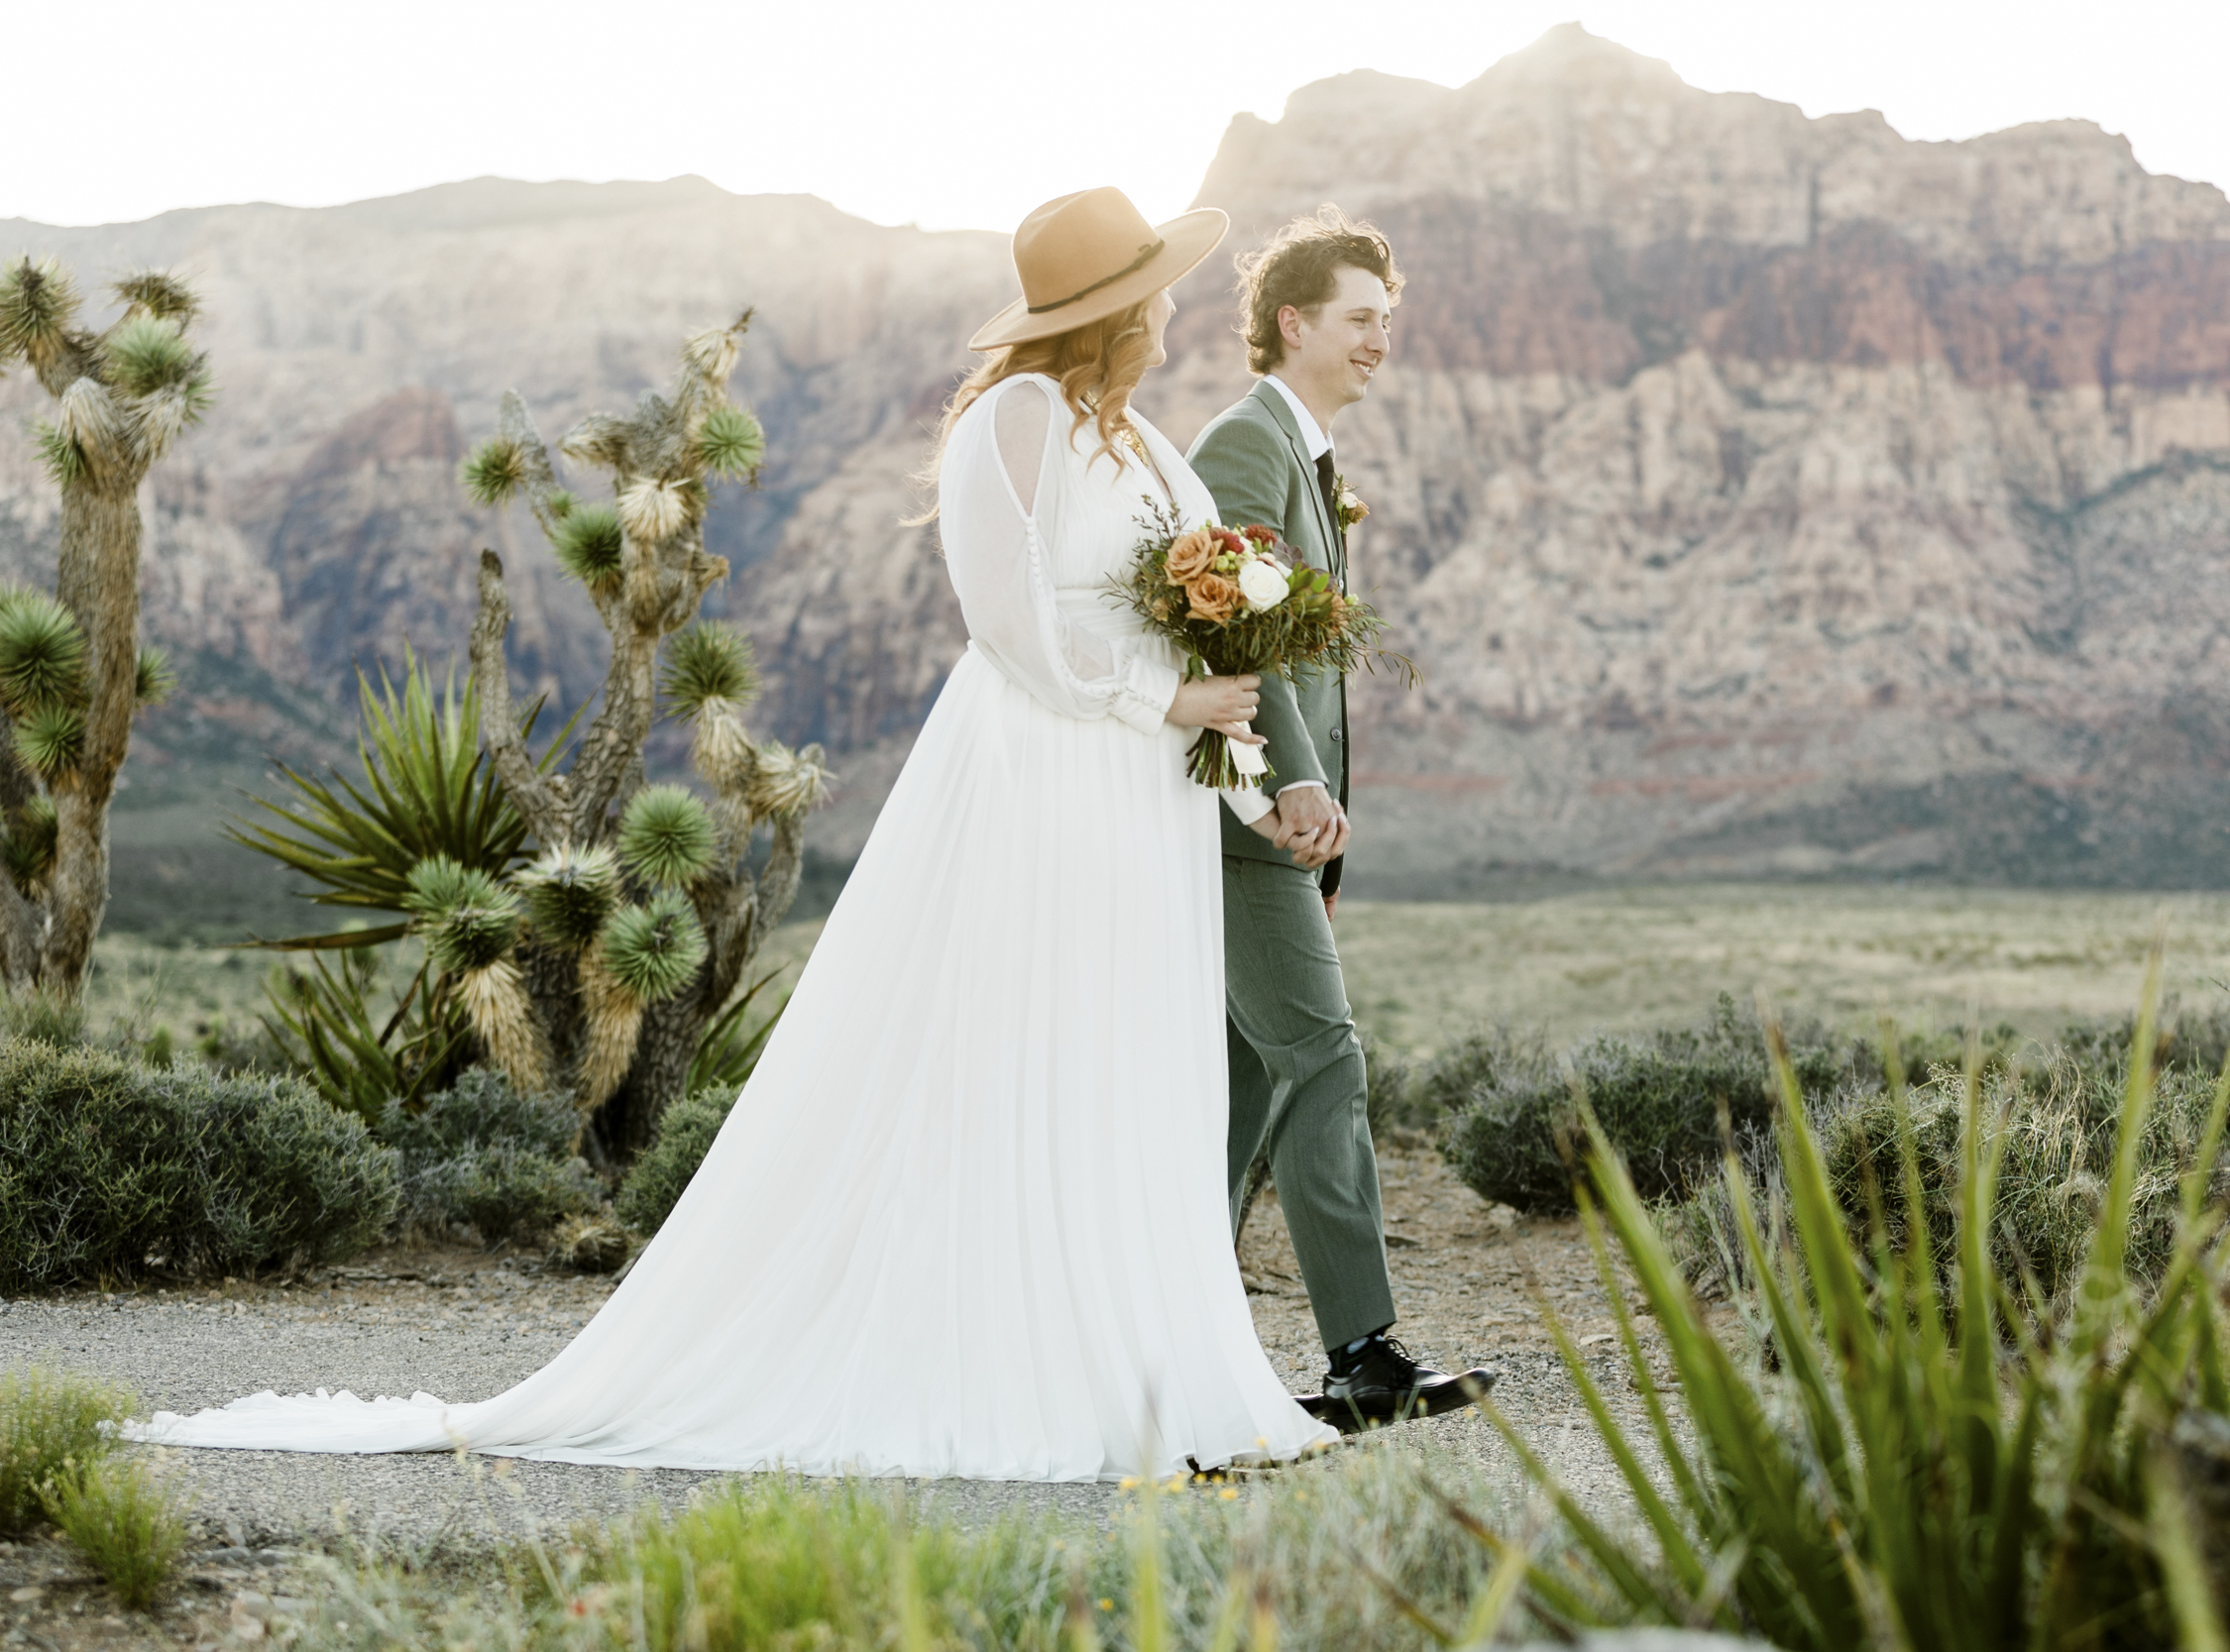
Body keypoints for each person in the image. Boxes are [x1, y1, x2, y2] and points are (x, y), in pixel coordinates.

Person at [131, 187, 1338, 1482]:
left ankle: (1150, 1372)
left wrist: (1256, 786)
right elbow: (1008, 623)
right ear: (1106, 309)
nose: (1164, 309)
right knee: (1029, 1048)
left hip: (1144, 804)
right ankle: (1030, 1372)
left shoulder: (1149, 447)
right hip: (1045, 779)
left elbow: (1199, 643)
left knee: (1125, 1061)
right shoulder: (1014, 420)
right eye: (1146, 291)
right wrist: (1164, 698)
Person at [1186, 208, 1497, 1431]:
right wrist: (1294, 788)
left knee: (1250, 1080)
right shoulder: (1245, 446)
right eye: (1361, 320)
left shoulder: (1302, 453)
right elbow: (1230, 629)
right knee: (1324, 1056)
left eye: (1388, 321)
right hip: (1248, 818)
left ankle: (1174, 1314)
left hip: (1272, 821)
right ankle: (1362, 1351)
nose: (1380, 341)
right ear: (1292, 322)